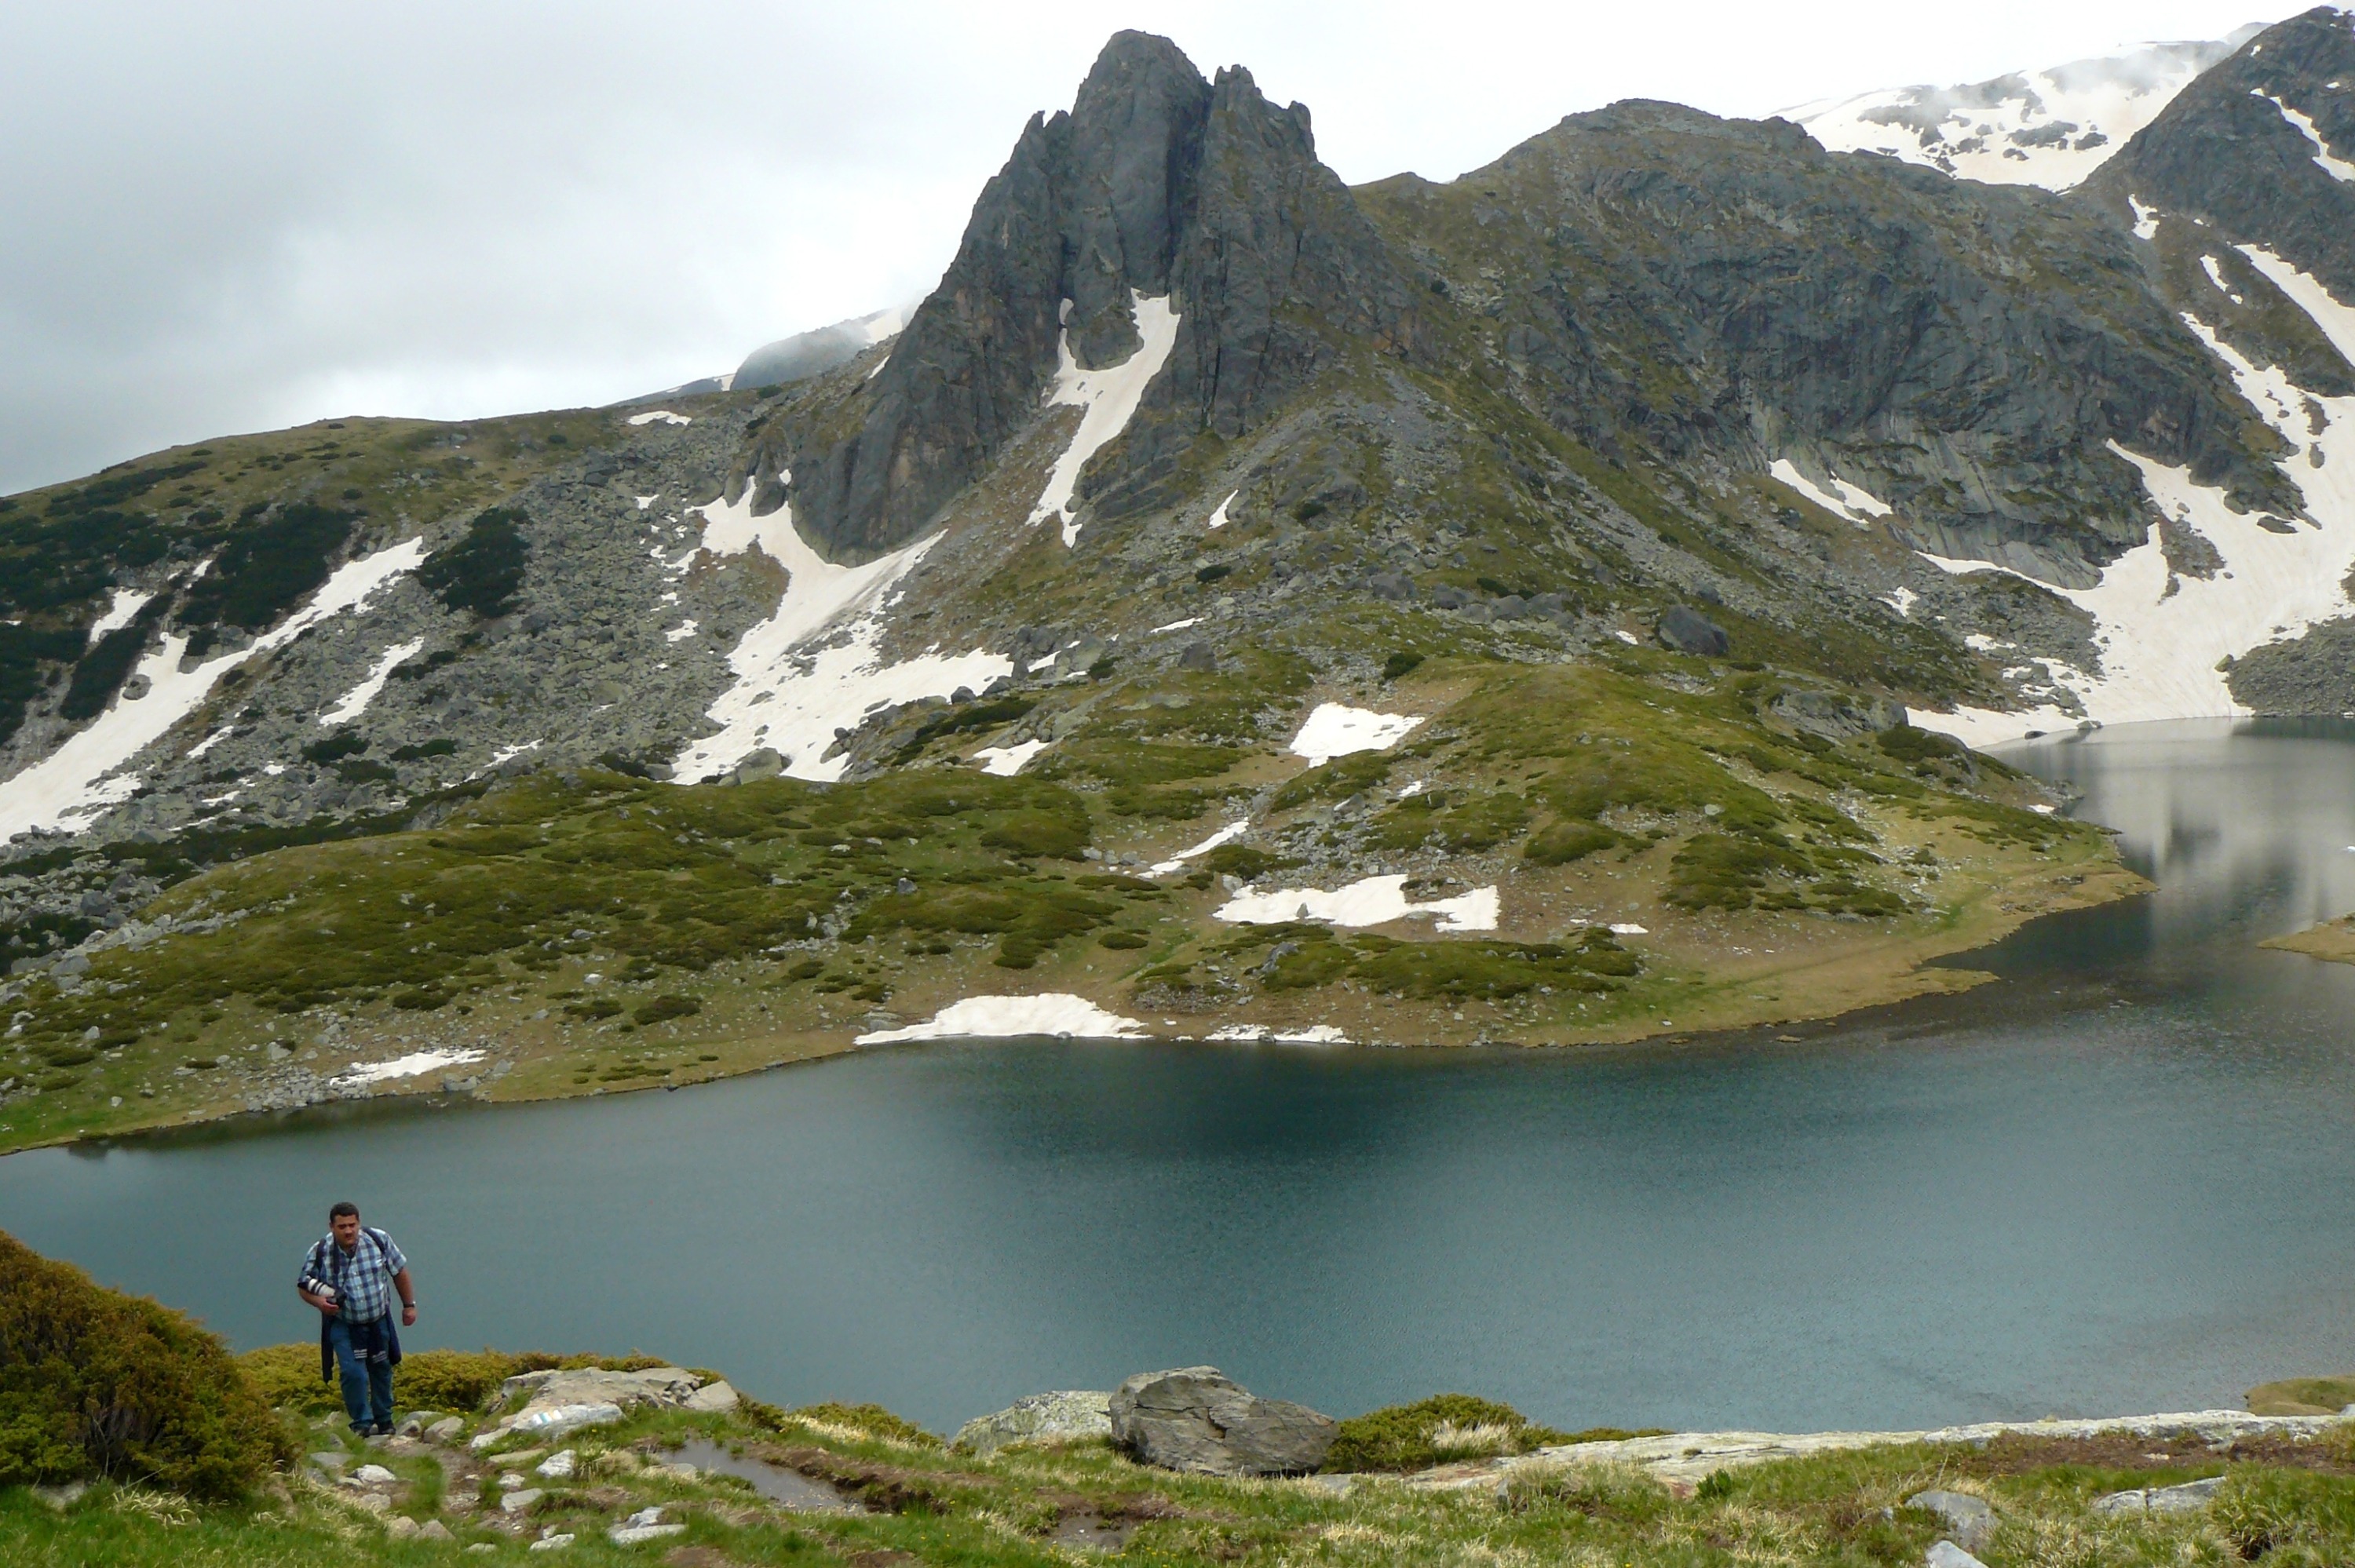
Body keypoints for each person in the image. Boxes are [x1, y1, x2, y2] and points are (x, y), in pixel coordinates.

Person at [297, 1202, 418, 1436]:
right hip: (343, 1323)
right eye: (342, 1226)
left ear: (359, 1223)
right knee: (353, 1373)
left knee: (381, 1369)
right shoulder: (320, 1251)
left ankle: (384, 1419)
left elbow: (400, 1272)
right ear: (332, 1226)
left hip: (378, 1320)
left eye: (352, 1225)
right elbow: (303, 1286)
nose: (348, 1231)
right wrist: (320, 1303)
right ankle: (361, 1423)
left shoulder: (378, 1240)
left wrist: (408, 1306)